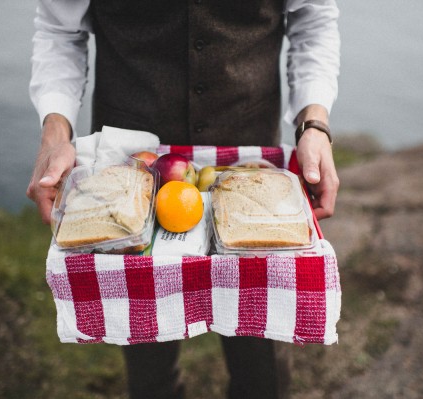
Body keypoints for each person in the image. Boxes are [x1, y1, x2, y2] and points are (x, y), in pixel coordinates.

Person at [27, 0, 340, 398]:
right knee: (147, 358)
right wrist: (54, 133)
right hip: (129, 163)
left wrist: (314, 124)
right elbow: (60, 30)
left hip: (250, 155)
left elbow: (312, 20)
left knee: (262, 358)